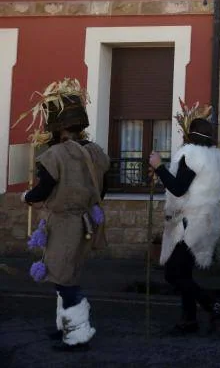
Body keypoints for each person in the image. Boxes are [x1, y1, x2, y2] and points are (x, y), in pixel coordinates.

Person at [20, 79, 110, 351]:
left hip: (64, 225)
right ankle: (65, 326)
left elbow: (44, 188)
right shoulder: (93, 151)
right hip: (83, 222)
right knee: (64, 275)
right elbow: (102, 188)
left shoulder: (56, 154)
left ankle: (78, 333)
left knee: (64, 278)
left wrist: (27, 197)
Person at [148, 116, 220, 335]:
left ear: (189, 135)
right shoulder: (215, 157)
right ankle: (189, 319)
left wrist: (158, 167)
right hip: (207, 222)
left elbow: (178, 188)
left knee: (172, 274)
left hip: (191, 224)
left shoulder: (191, 155)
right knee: (184, 272)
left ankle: (213, 304)